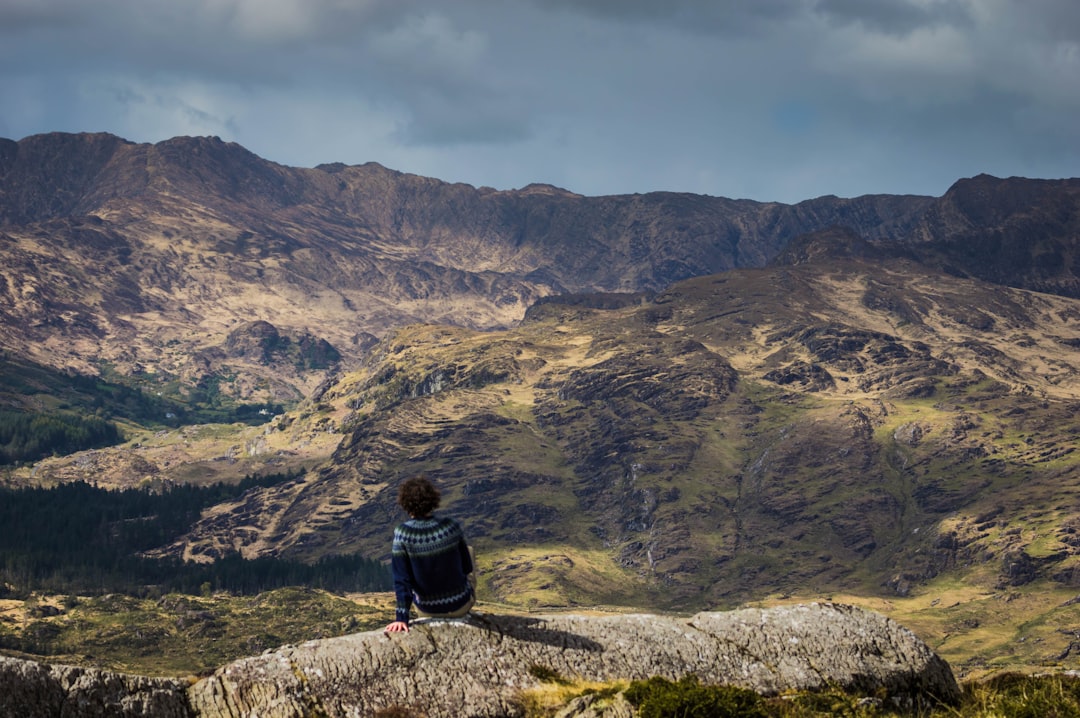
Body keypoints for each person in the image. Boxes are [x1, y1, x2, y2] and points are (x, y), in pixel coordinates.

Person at [384, 476, 475, 633]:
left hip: (427, 610)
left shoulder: (403, 533)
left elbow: (402, 579)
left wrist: (401, 618)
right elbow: (467, 567)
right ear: (433, 499)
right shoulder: (450, 526)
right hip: (461, 605)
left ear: (405, 504)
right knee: (469, 550)